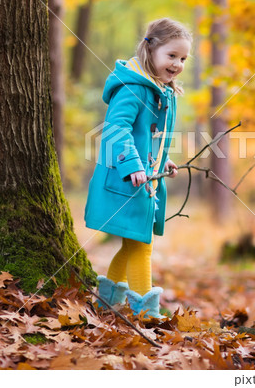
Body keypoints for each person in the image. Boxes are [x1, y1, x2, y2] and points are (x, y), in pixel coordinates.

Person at [85, 18, 192, 318]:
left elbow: (147, 135)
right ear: (151, 49)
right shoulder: (133, 88)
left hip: (145, 180)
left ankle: (105, 303)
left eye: (183, 58)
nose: (177, 64)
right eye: (171, 56)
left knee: (133, 245)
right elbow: (116, 128)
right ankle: (147, 313)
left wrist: (161, 159)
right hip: (125, 180)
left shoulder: (160, 90)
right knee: (142, 245)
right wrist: (133, 164)